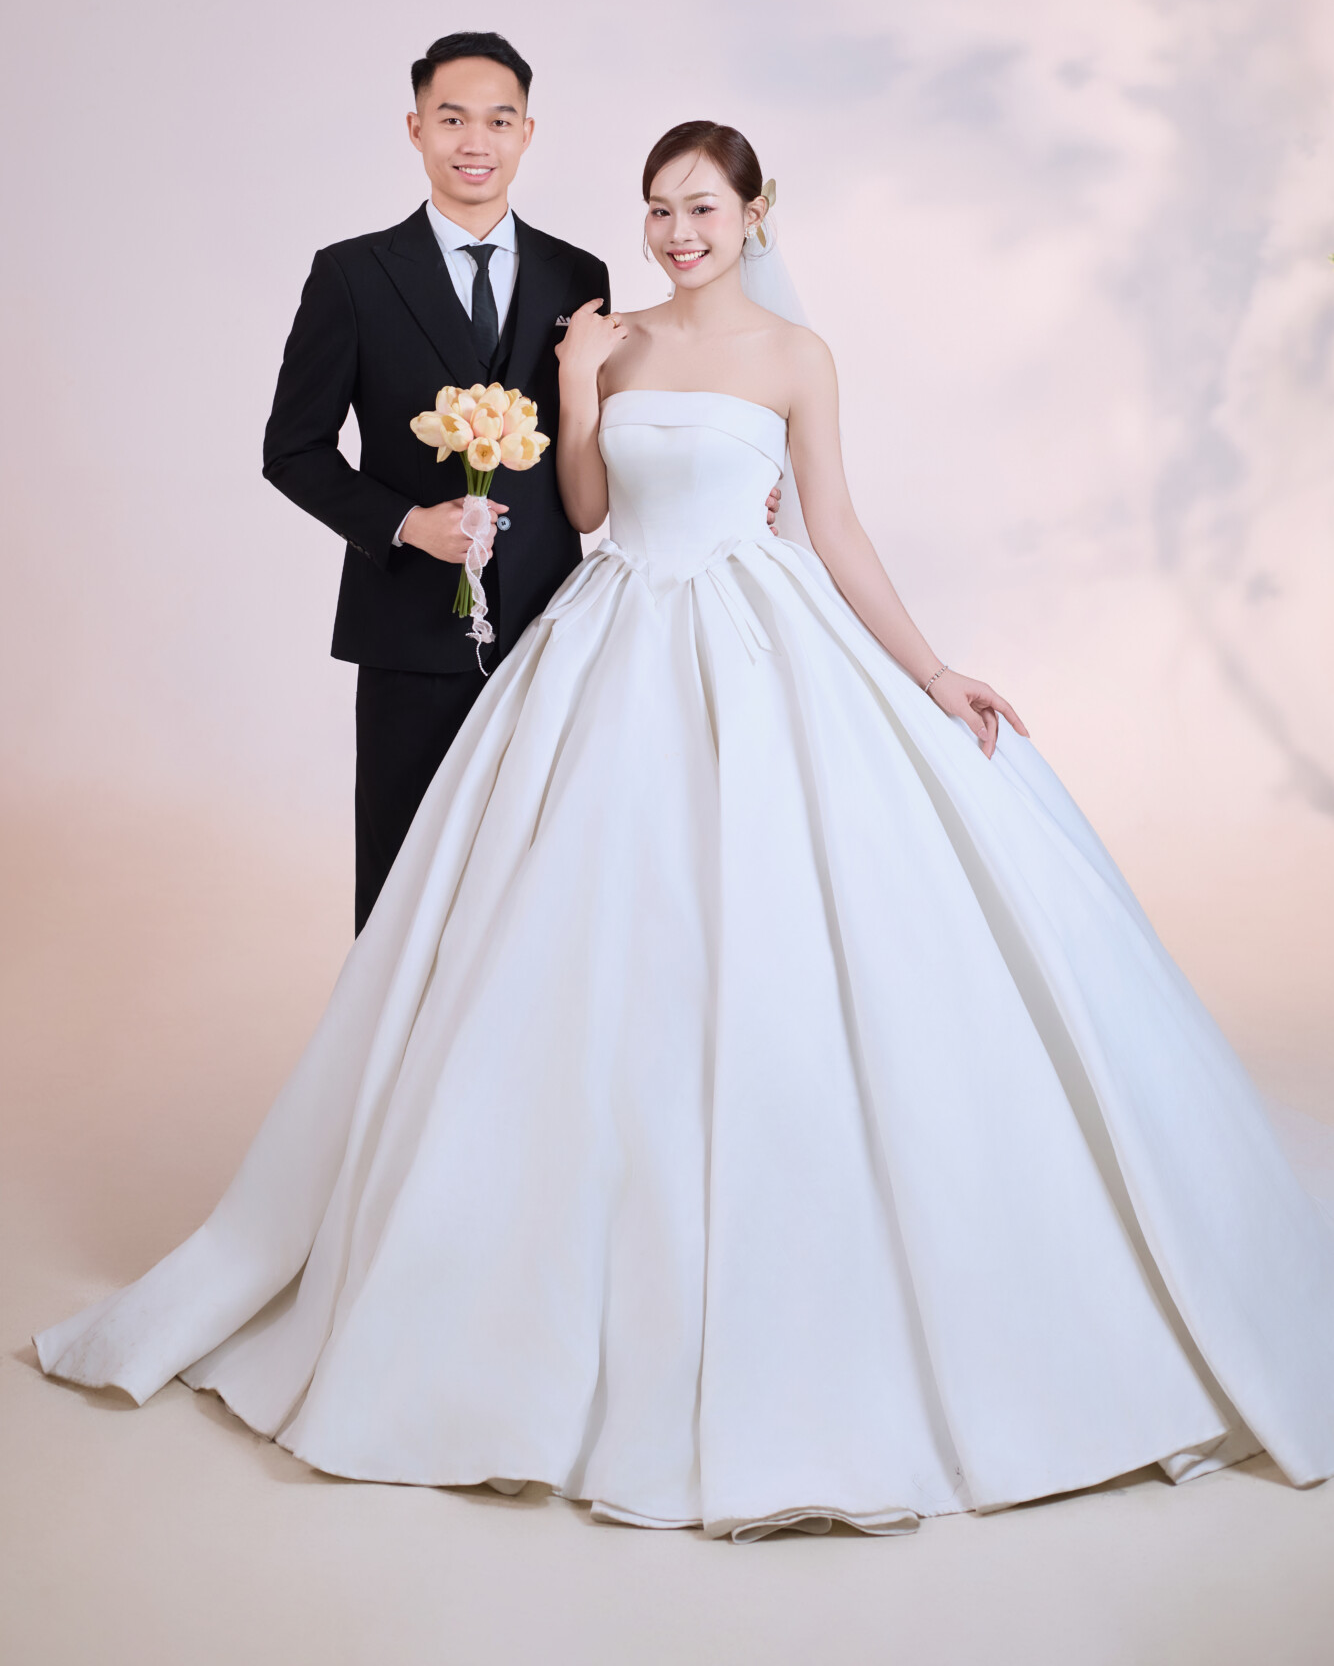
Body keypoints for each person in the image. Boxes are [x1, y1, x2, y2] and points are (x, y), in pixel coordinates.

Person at [37, 122, 1334, 1542]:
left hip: (757, 641)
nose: (676, 233)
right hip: (613, 639)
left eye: (702, 208)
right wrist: (578, 383)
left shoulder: (797, 357)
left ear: (753, 211)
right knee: (583, 950)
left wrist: (932, 670)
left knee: (779, 935)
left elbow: (834, 528)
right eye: (658, 209)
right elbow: (587, 511)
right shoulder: (609, 337)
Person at [261, 32, 766, 931]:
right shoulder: (351, 275)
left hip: (554, 631)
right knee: (403, 890)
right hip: (408, 635)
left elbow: (605, 435)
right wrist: (408, 524)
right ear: (416, 128)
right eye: (452, 119)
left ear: (528, 133)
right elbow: (293, 449)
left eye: (499, 121)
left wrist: (729, 484)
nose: (476, 141)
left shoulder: (580, 275)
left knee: (537, 901)